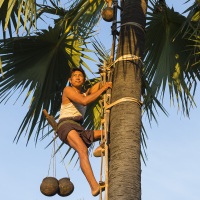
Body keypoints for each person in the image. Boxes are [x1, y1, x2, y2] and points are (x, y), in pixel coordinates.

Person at [57, 67, 112, 196]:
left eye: (80, 75)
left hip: (79, 127)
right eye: (75, 75)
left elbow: (99, 86)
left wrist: (108, 74)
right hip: (66, 125)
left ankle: (100, 147)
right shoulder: (68, 90)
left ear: (84, 79)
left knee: (107, 132)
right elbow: (84, 101)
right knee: (82, 150)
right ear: (70, 80)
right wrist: (104, 88)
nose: (77, 77)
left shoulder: (85, 93)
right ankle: (94, 187)